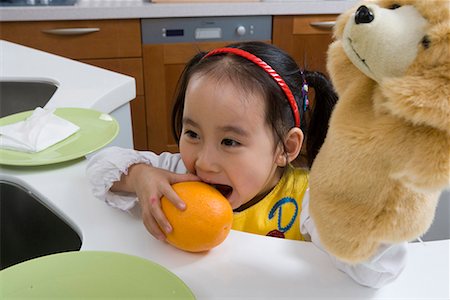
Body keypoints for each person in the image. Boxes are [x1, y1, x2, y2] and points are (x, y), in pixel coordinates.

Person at [86, 41, 406, 288]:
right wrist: (141, 177)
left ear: (286, 147)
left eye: (230, 142)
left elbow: (379, 270)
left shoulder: (308, 198)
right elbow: (99, 168)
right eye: (192, 133)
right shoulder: (176, 175)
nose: (204, 161)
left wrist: (363, 209)